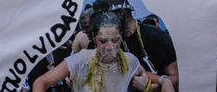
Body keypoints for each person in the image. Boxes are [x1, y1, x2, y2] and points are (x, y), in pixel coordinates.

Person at [32, 16, 166, 92]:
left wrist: (161, 81)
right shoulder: (81, 59)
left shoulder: (129, 60)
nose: (109, 46)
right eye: (103, 41)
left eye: (115, 40)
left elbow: (148, 77)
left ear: (121, 38)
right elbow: (41, 81)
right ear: (95, 39)